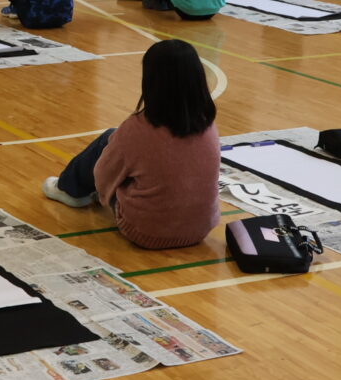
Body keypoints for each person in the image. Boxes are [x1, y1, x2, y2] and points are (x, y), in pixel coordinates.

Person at [40, 39, 220, 249]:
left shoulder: (136, 128)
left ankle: (69, 188)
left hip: (145, 232)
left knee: (108, 140)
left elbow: (102, 176)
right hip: (201, 229)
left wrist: (105, 194)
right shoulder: (208, 124)